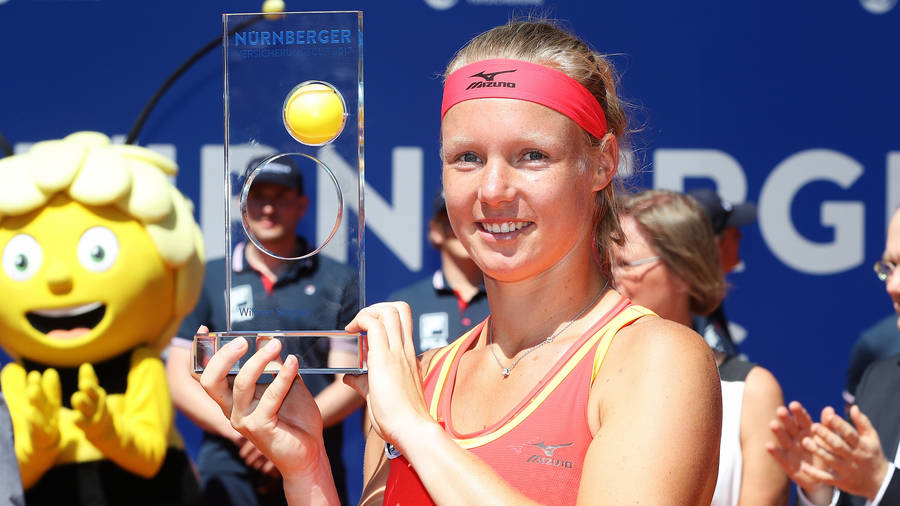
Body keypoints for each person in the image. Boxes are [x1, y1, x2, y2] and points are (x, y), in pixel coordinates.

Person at [197, 19, 723, 505]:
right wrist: (306, 464)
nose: (493, 190)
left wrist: (416, 429)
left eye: (532, 156)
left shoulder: (657, 359)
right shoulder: (420, 378)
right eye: (467, 158)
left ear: (601, 163)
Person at [165, 156, 363, 505]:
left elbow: (349, 379)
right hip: (230, 460)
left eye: (281, 196)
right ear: (242, 204)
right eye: (258, 196)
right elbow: (179, 376)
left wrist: (292, 429)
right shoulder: (208, 278)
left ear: (302, 204)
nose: (268, 208)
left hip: (313, 459)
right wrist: (246, 431)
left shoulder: (338, 279)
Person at [612, 189, 789, 506]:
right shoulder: (576, 376)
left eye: (624, 263)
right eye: (603, 261)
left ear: (685, 273)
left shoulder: (750, 392)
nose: (609, 278)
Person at [767, 207, 900, 506]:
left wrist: (883, 483)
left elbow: (879, 486)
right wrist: (822, 491)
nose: (893, 286)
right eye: (890, 266)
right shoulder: (879, 380)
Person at [385, 192, 489, 354]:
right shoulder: (404, 303)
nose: (460, 230)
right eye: (450, 222)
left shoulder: (508, 300)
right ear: (435, 231)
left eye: (471, 221)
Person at [688, 188, 758, 356]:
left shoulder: (704, 298)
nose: (740, 236)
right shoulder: (685, 304)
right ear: (714, 245)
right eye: (732, 232)